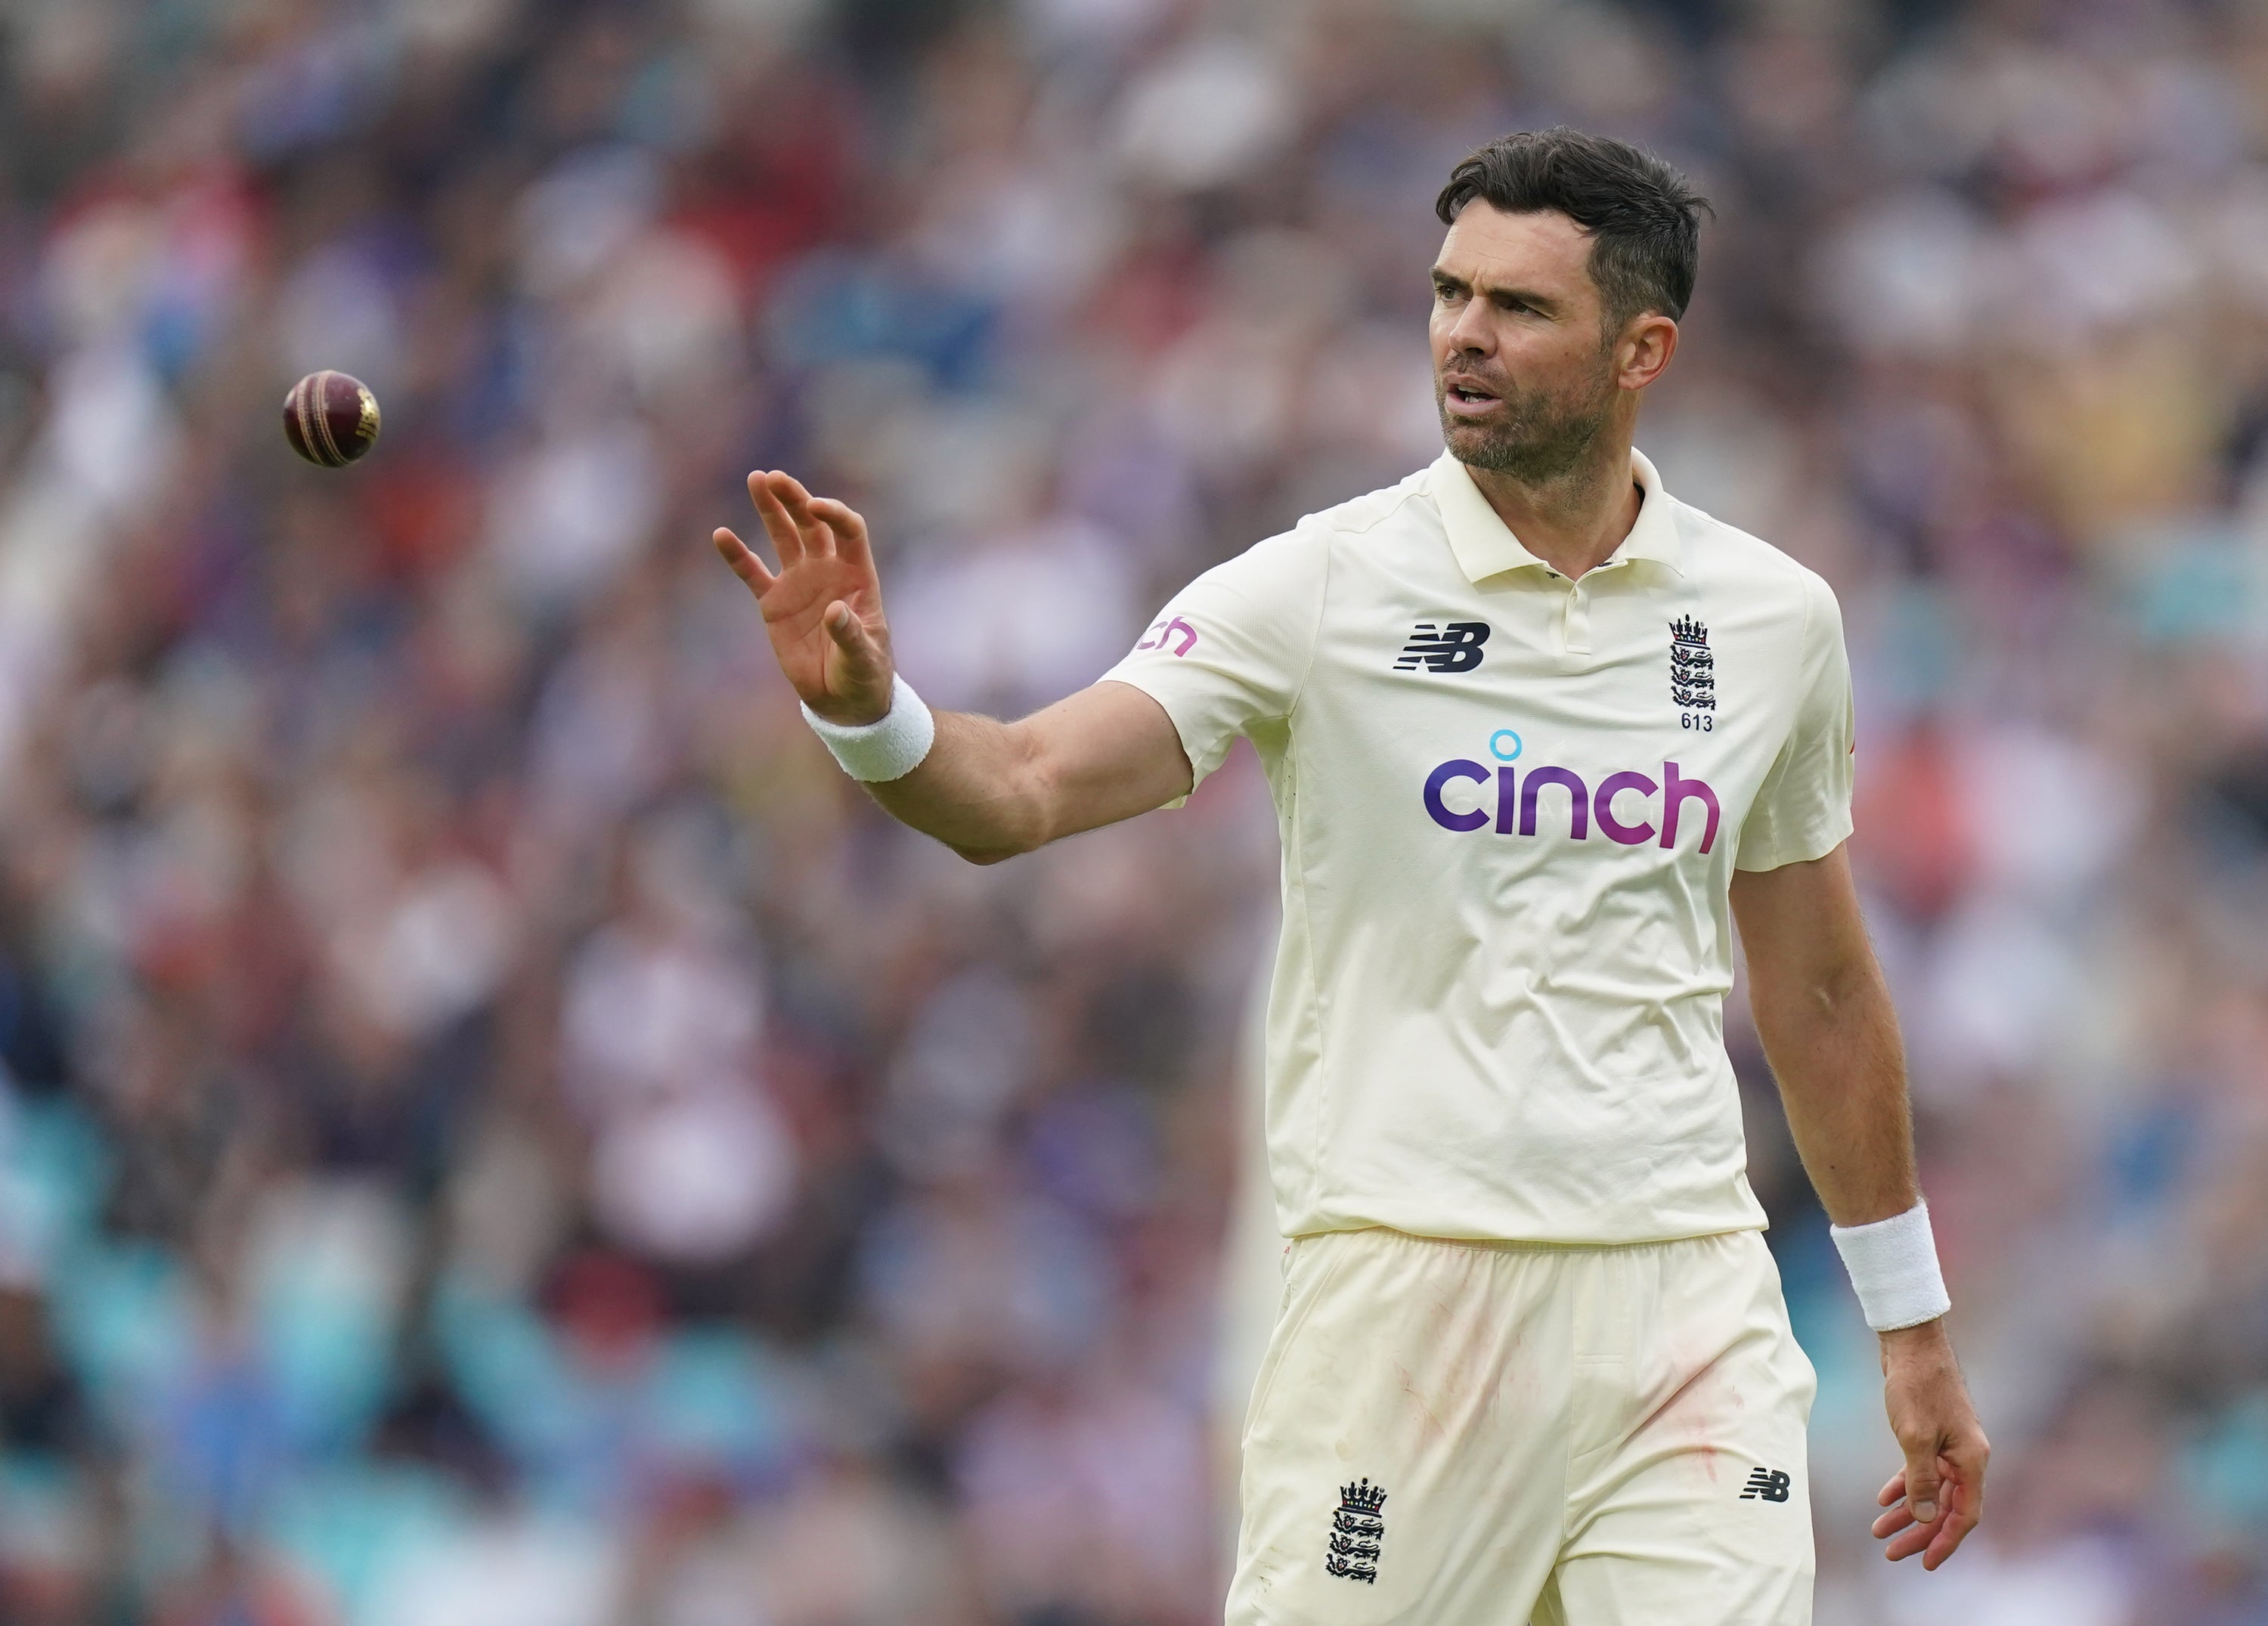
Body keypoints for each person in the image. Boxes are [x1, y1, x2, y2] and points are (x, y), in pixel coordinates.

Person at [714, 126, 1988, 1626]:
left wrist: (1908, 1323)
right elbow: (1019, 789)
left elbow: (1823, 987)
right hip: (1405, 1309)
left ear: (1643, 347)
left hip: (1685, 1303)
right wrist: (867, 709)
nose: (1464, 334)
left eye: (1520, 307)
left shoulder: (1774, 618)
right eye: (1450, 294)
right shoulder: (1322, 585)